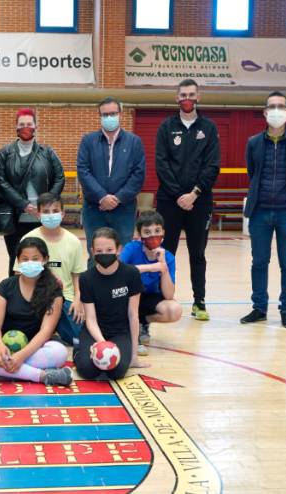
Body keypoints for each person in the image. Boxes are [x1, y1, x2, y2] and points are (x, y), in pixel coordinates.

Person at [240, 91, 286, 329]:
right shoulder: (253, 142)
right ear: (264, 112)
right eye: (272, 106)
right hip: (260, 212)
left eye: (281, 106)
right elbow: (252, 173)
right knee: (259, 262)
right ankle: (259, 308)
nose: (276, 110)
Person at [155, 79, 221, 322]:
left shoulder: (209, 128)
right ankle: (162, 298)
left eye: (191, 94)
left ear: (198, 97)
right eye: (183, 94)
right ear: (176, 98)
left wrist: (194, 193)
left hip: (199, 201)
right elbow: (161, 164)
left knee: (198, 253)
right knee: (165, 252)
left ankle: (199, 301)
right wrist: (178, 195)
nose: (187, 99)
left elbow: (212, 166)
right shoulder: (166, 127)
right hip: (169, 201)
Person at [0, 237, 72, 386]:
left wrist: (21, 356)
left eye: (35, 259)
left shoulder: (53, 291)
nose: (30, 262)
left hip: (35, 348)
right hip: (4, 348)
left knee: (60, 352)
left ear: (45, 259)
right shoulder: (6, 285)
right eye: (25, 259)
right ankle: (42, 376)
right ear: (18, 260)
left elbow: (46, 331)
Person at [0, 108, 65, 276]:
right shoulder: (5, 153)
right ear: (16, 127)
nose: (26, 127)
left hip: (43, 218)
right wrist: (24, 204)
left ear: (35, 126)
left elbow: (59, 177)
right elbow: (1, 182)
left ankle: (43, 291)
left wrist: (46, 205)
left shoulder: (47, 152)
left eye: (29, 124)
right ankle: (15, 291)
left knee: (44, 259)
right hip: (15, 217)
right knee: (17, 259)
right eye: (22, 124)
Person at [74, 228, 148, 381]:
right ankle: (78, 350)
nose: (104, 254)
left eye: (109, 250)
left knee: (117, 372)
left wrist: (134, 355)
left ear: (118, 249)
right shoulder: (86, 278)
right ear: (92, 252)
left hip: (120, 332)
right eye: (99, 251)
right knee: (88, 371)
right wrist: (103, 345)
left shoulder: (131, 274)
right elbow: (90, 319)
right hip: (94, 331)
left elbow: (133, 315)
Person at [15, 192, 86, 346]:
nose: (51, 215)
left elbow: (77, 275)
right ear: (38, 214)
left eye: (55, 211)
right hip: (35, 296)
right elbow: (18, 273)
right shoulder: (28, 239)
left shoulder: (73, 242)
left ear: (63, 213)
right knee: (25, 335)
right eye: (46, 211)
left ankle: (53, 330)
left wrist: (78, 299)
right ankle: (48, 331)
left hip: (64, 297)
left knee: (78, 339)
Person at [77, 97, 145, 253]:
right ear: (100, 116)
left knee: (123, 253)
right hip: (94, 208)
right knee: (95, 254)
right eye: (105, 114)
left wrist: (118, 198)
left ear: (120, 114)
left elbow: (138, 174)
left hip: (124, 209)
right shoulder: (88, 141)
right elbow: (83, 170)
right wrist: (102, 197)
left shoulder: (134, 142)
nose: (109, 117)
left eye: (113, 113)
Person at [120, 211, 182, 356]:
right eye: (147, 232)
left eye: (157, 231)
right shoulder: (131, 248)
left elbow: (169, 295)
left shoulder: (168, 257)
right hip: (127, 296)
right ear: (139, 234)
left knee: (174, 310)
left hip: (149, 298)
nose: (153, 236)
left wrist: (163, 266)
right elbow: (118, 270)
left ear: (163, 232)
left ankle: (142, 322)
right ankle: (128, 332)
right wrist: (150, 267)